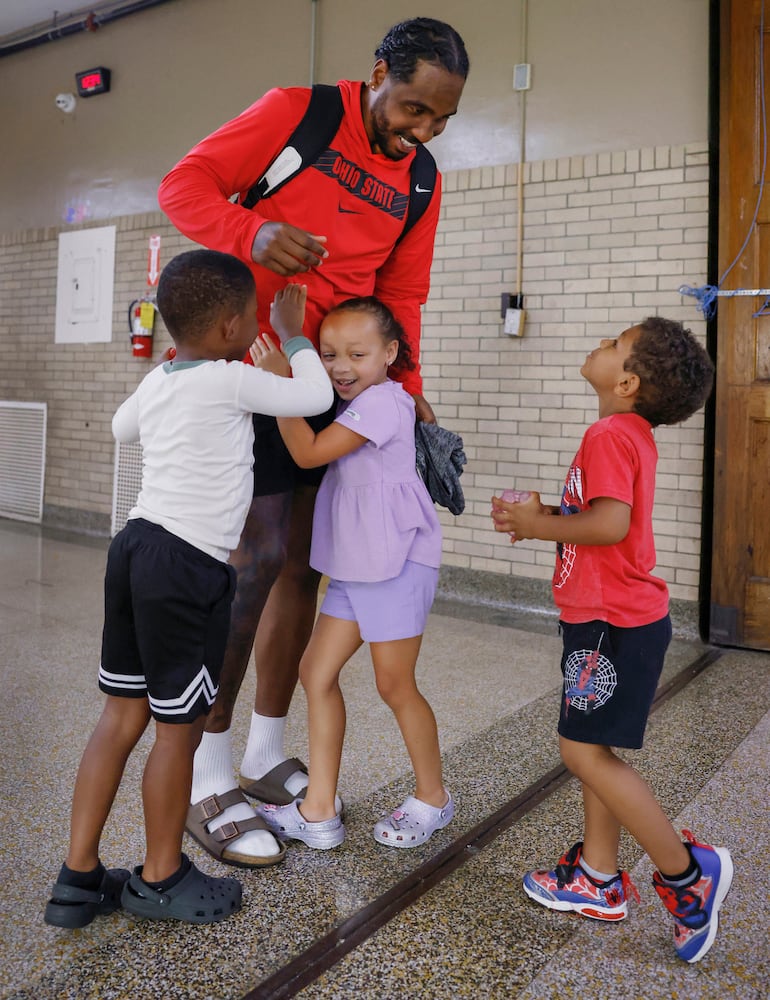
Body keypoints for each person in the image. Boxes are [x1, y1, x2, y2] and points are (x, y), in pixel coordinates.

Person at [157, 18, 469, 866]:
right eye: (411, 109)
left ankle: (260, 750)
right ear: (376, 75)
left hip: (333, 377)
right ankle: (202, 771)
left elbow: (403, 290)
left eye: (438, 121)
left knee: (304, 563)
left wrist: (403, 390)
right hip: (248, 357)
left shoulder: (422, 179)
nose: (421, 132)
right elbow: (182, 186)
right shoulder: (298, 115)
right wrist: (250, 234)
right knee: (250, 559)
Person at [44, 252, 332, 928]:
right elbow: (315, 398)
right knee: (178, 731)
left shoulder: (161, 379)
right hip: (186, 568)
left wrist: (172, 373)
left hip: (133, 549)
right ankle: (161, 875)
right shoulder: (233, 381)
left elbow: (122, 429)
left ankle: (77, 879)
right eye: (256, 315)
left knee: (120, 717)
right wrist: (292, 335)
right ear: (233, 327)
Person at [490, 317, 731, 964]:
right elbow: (598, 518)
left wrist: (539, 526)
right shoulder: (628, 433)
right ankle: (598, 876)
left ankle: (687, 874)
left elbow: (611, 524)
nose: (598, 344)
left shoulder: (607, 433)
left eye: (613, 345)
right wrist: (550, 516)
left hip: (611, 623)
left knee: (581, 753)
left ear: (626, 381)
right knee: (592, 744)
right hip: (609, 617)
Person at [249, 292, 452, 850]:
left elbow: (310, 454)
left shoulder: (385, 401)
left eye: (357, 354)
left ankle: (433, 798)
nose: (340, 366)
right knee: (316, 673)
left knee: (395, 684)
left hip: (395, 563)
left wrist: (281, 382)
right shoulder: (363, 399)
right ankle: (318, 811)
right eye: (330, 353)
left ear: (390, 353)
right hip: (356, 564)